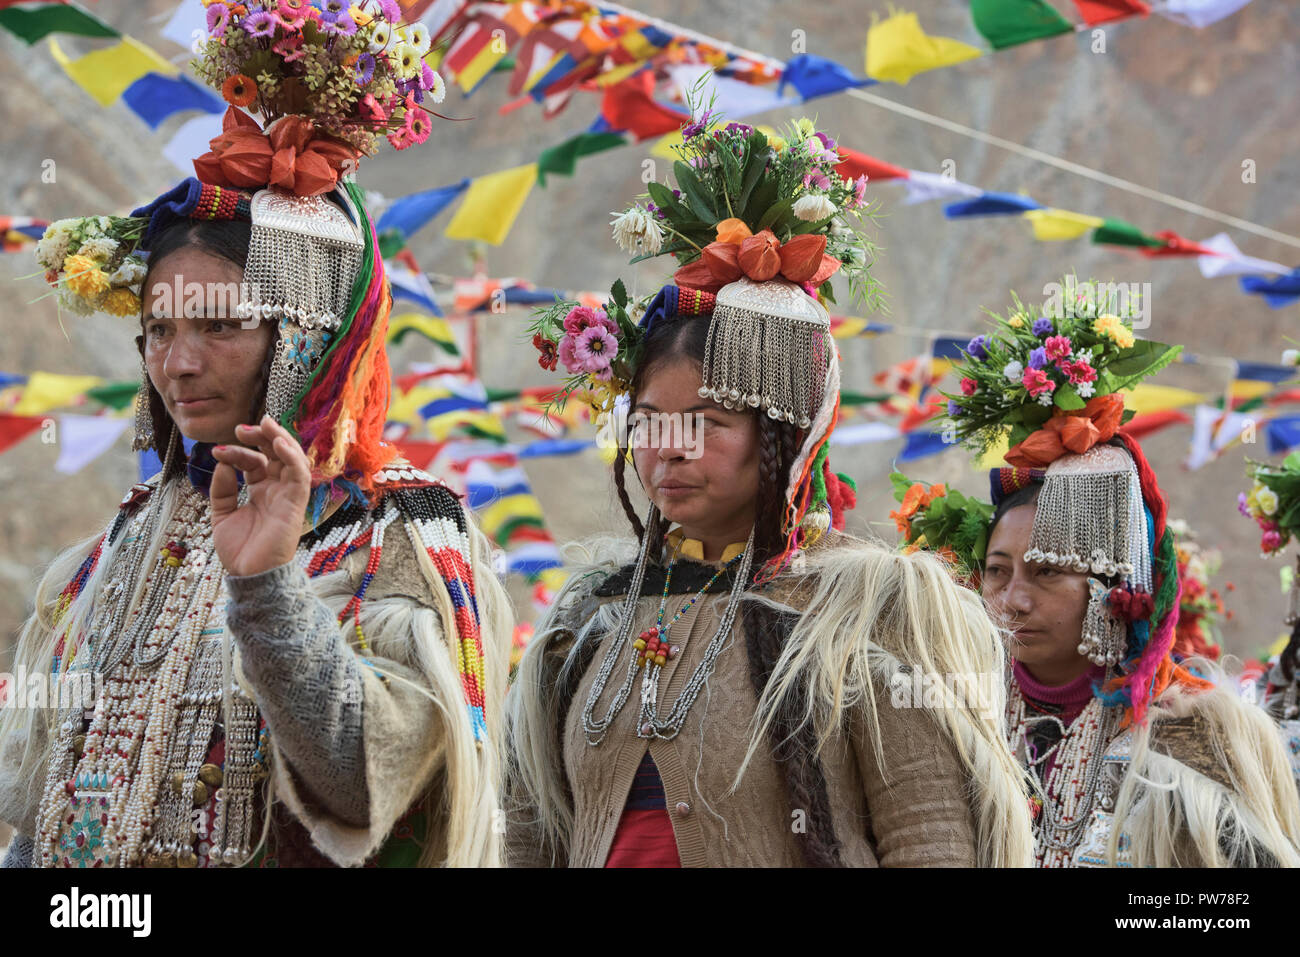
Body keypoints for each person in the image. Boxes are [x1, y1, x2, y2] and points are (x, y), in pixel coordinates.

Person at [0, 5, 510, 868]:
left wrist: (268, 585)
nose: (179, 363)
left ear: (304, 333)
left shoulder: (400, 536)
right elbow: (40, 812)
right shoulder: (120, 545)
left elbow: (362, 782)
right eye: (159, 329)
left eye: (220, 326)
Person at [506, 115, 1033, 868]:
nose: (669, 450)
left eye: (710, 422)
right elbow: (529, 840)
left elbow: (930, 838)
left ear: (785, 431)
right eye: (651, 422)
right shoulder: (587, 628)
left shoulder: (865, 614)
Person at [929, 279, 1300, 867]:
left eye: (1048, 573)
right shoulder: (947, 721)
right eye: (998, 573)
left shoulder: (1196, 736)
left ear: (1113, 586)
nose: (1013, 600)